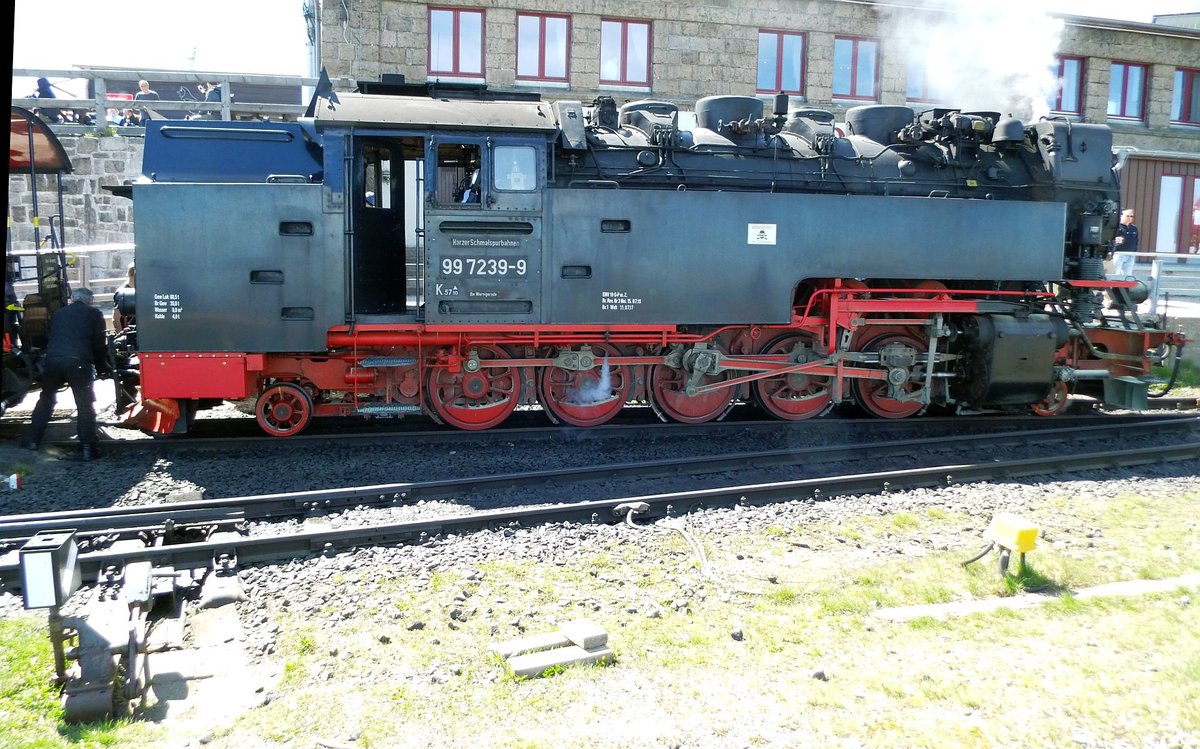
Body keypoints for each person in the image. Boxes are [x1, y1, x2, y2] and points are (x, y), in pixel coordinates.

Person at [21, 288, 111, 461]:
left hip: (53, 361)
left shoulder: (59, 314)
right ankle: (87, 449)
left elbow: (51, 337)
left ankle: (32, 440)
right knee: (84, 405)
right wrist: (102, 368)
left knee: (46, 399)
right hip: (78, 363)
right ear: (89, 301)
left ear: (71, 299)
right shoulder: (94, 314)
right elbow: (99, 345)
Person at [1113, 208, 1139, 277]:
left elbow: (1136, 240)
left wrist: (1135, 251)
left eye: (1131, 216)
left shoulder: (1134, 228)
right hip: (1119, 254)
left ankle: (1126, 288)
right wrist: (1116, 241)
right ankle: (1114, 288)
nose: (1129, 218)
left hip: (1131, 254)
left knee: (1128, 275)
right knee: (1116, 274)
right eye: (1127, 216)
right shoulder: (1117, 227)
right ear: (1121, 216)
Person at [113, 262, 136, 331]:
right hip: (127, 332)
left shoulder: (138, 289)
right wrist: (121, 336)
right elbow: (116, 319)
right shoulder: (122, 292)